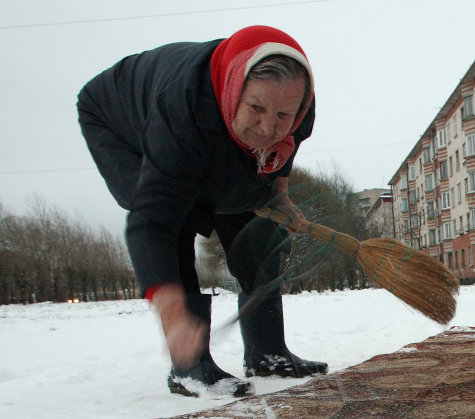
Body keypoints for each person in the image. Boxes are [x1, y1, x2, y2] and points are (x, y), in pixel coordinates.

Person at [76, 25, 328, 398]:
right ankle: (189, 367)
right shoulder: (182, 111)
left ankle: (267, 352)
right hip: (120, 124)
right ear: (233, 89)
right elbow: (152, 222)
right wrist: (174, 315)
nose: (268, 127)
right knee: (177, 213)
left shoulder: (298, 108)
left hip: (209, 132)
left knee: (256, 222)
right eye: (256, 108)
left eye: (283, 115)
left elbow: (283, 155)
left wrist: (281, 195)